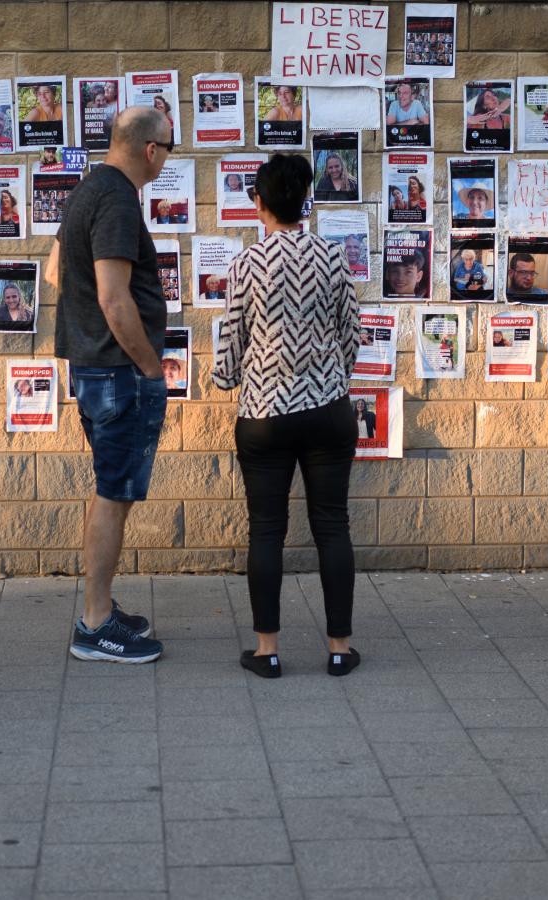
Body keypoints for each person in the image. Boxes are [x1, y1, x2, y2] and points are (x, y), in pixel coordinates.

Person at [213, 153, 363, 679]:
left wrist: (234, 378)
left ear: (258, 203)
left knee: (266, 530)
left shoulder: (247, 265)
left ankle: (267, 650)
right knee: (332, 525)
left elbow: (229, 355)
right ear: (305, 201)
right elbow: (352, 339)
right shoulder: (334, 257)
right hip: (328, 411)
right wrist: (325, 376)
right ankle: (340, 648)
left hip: (264, 414)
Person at [45, 106, 172, 664]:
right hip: (119, 372)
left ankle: (100, 609)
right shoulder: (118, 199)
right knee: (113, 496)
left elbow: (54, 271)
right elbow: (113, 298)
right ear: (150, 150)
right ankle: (95, 625)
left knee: (108, 490)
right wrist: (149, 365)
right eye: (169, 149)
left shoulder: (87, 189)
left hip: (94, 367)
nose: (167, 159)